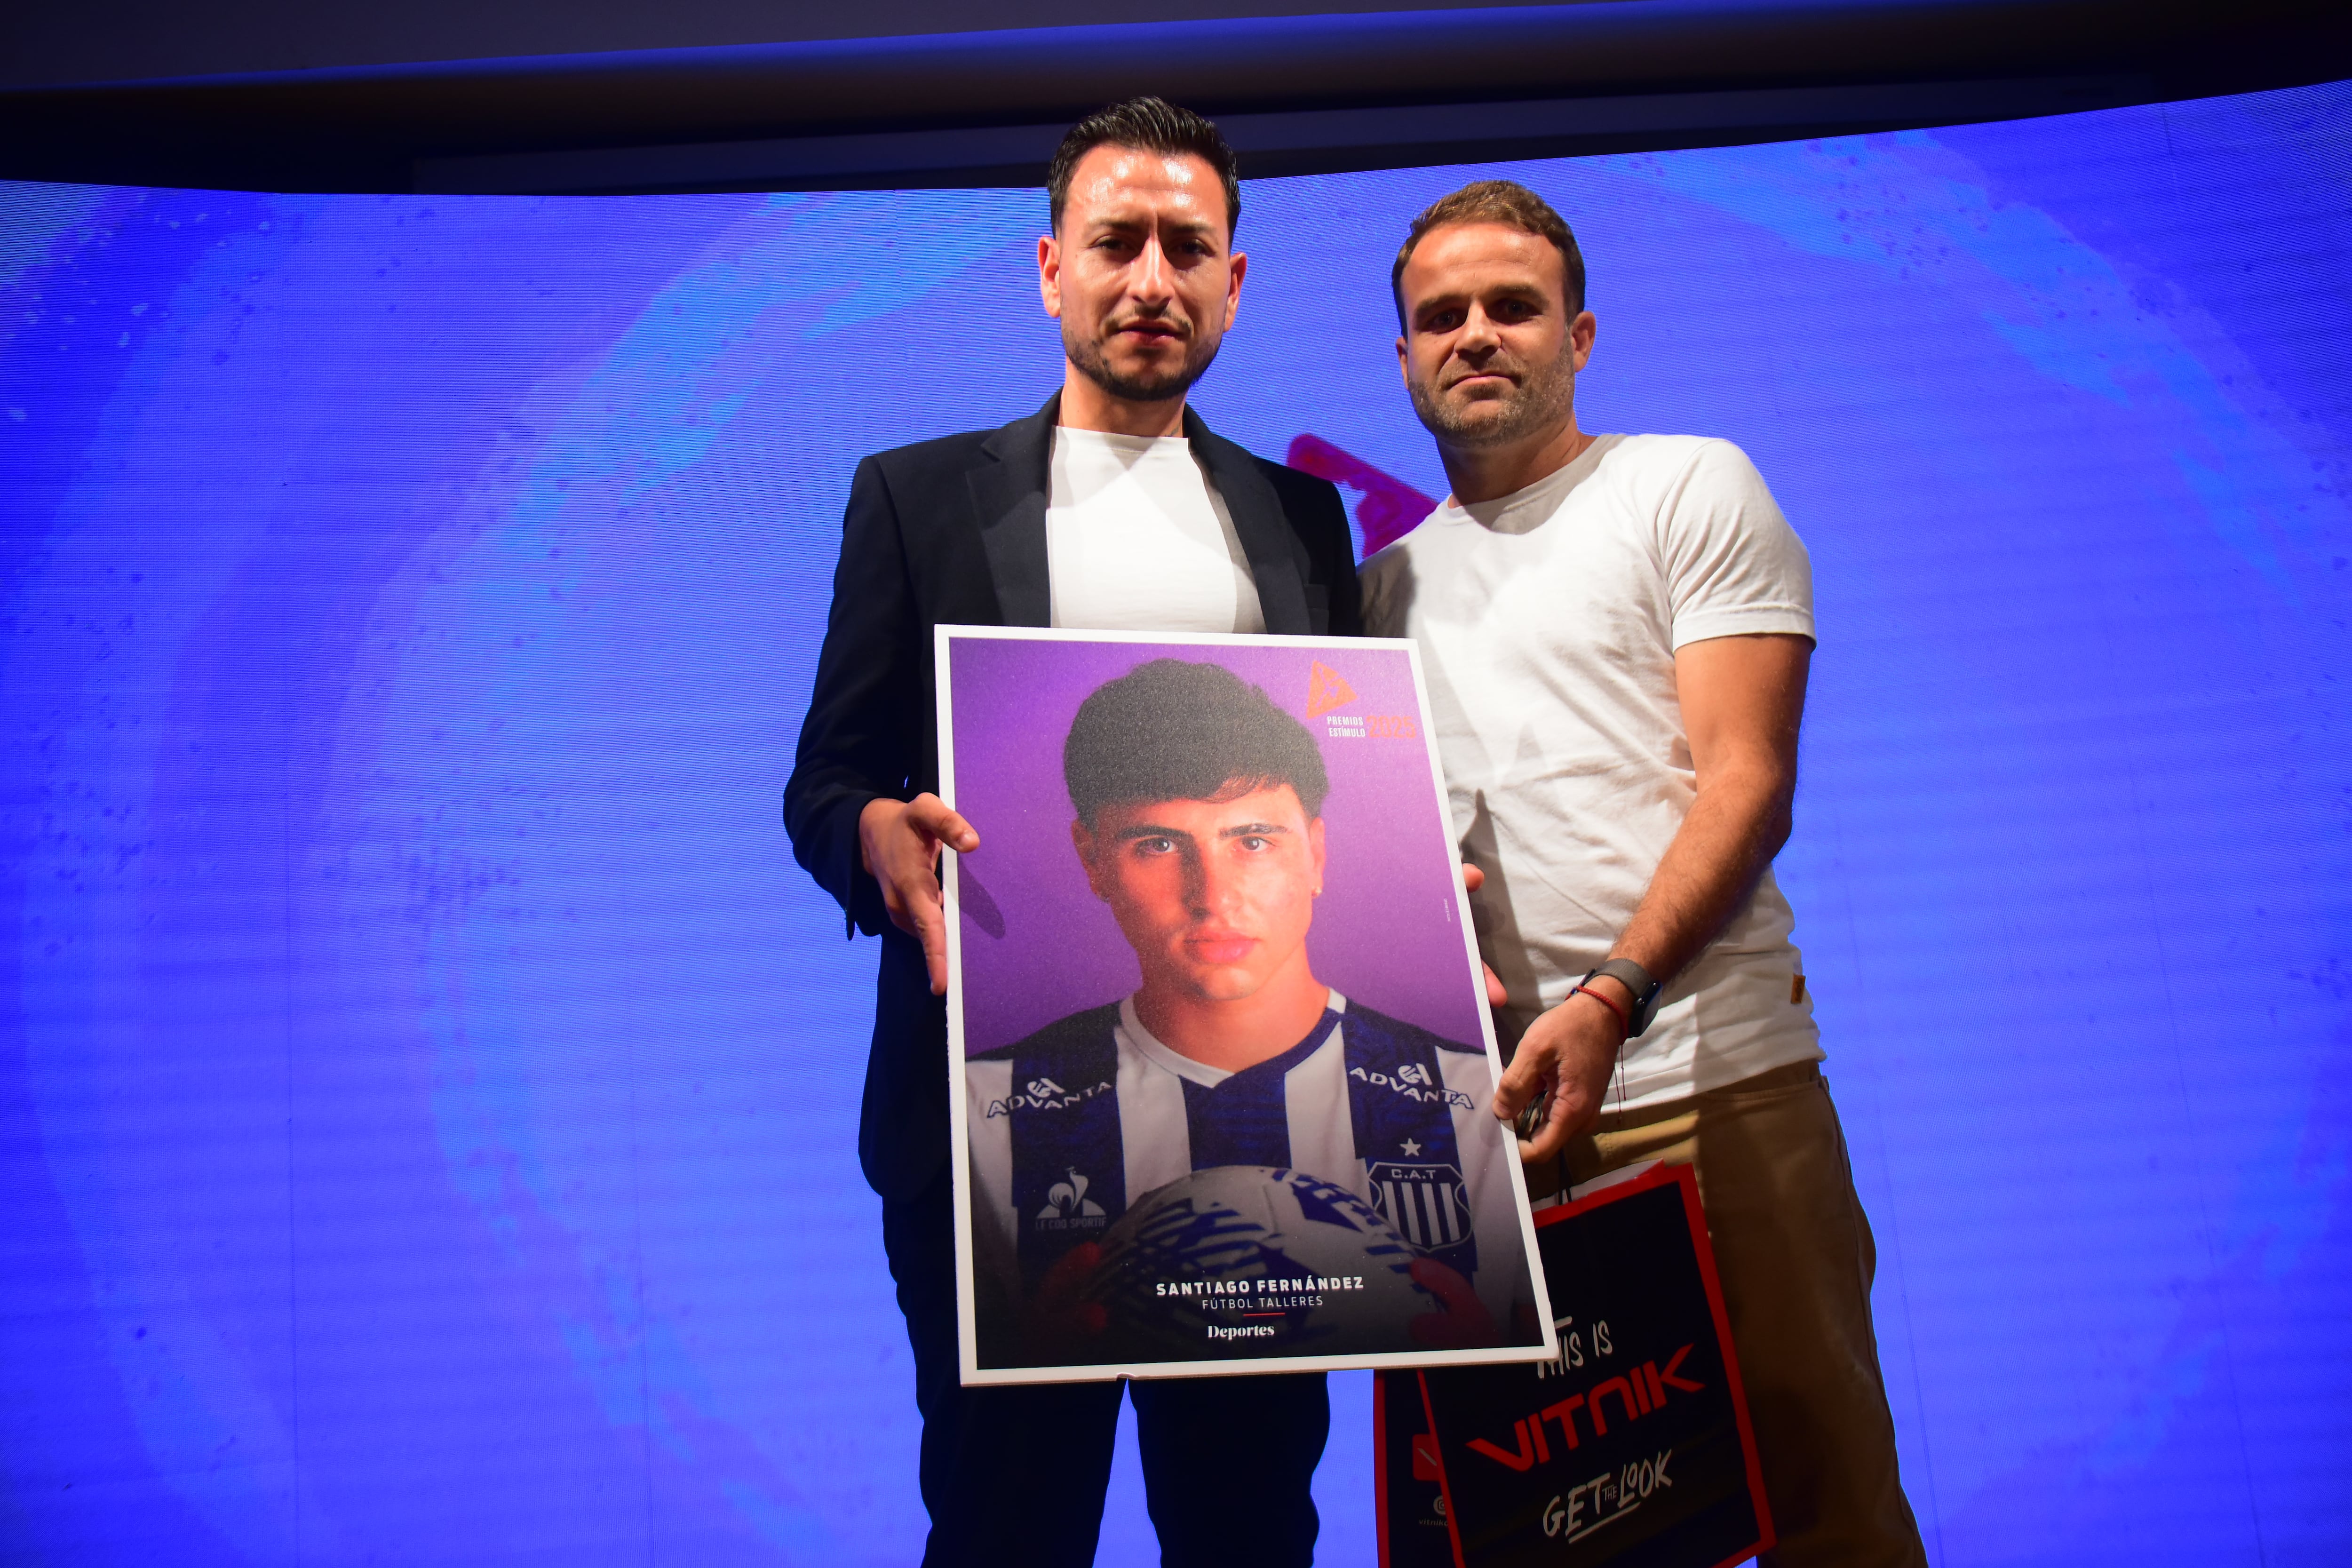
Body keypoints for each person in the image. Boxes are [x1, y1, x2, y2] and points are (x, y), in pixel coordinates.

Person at [783, 99, 1358, 1568]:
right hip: (993, 1120)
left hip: (1258, 1129)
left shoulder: (1301, 517)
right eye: (1118, 242)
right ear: (1052, 268)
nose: (1151, 278)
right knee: (1004, 1525)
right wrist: (874, 832)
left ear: (1235, 282)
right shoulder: (914, 495)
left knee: (1246, 1529)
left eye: (1189, 247)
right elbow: (825, 776)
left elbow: (1341, 784)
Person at [1360, 179, 1931, 1568]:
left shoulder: (1686, 484)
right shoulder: (1380, 589)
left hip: (1714, 1083)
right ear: (1404, 357)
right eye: (1442, 316)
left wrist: (1612, 995)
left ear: (1582, 332)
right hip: (1498, 1144)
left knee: (1826, 1509)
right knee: (1556, 1540)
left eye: (1513, 307)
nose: (1476, 335)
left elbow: (1750, 781)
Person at [964, 658, 1534, 1367]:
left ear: (1317, 854)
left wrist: (1484, 1386)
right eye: (1159, 844)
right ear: (1092, 860)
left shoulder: (1477, 1096)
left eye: (1253, 840)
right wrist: (1028, 1395)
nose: (1214, 893)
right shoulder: (986, 1111)